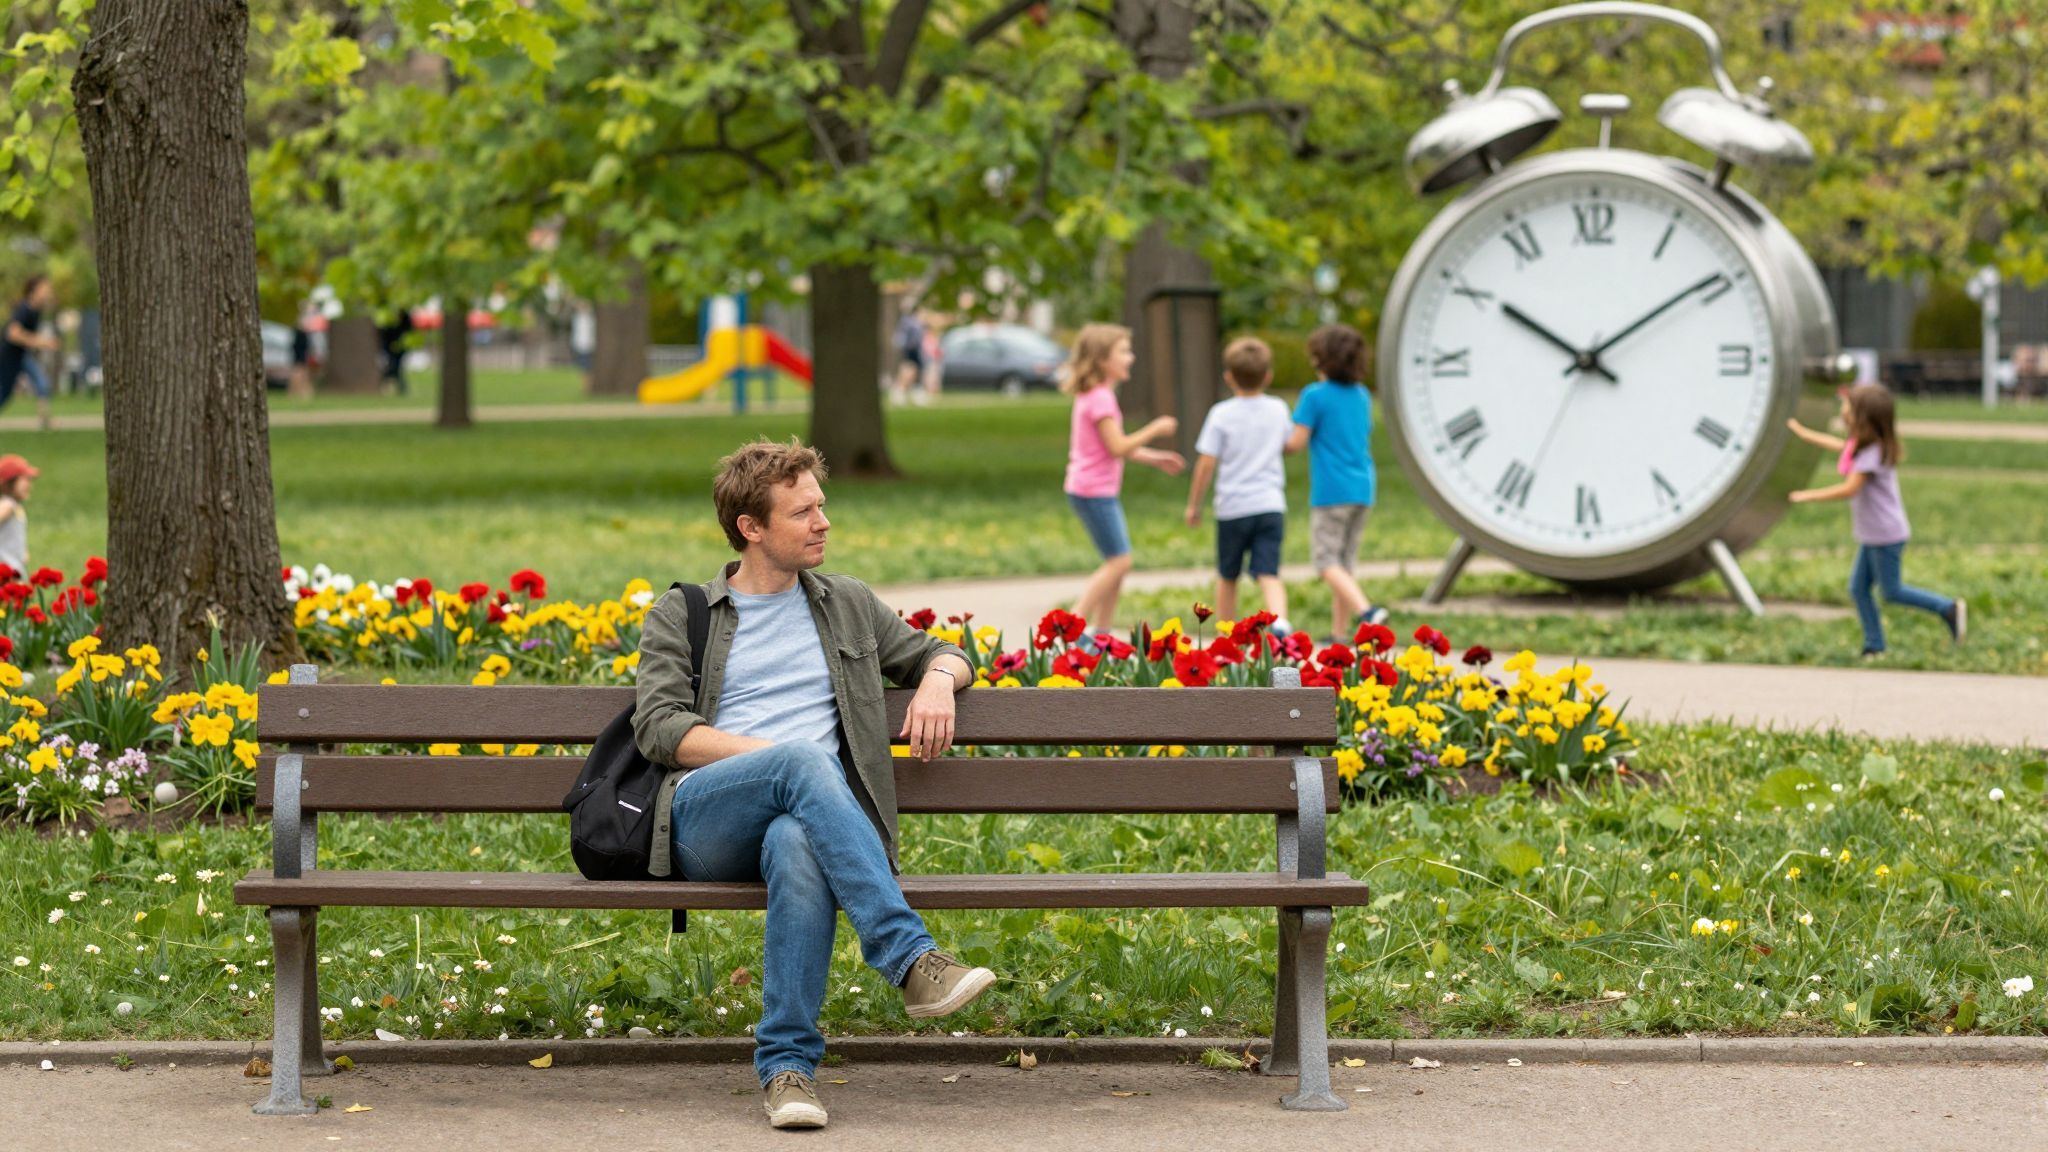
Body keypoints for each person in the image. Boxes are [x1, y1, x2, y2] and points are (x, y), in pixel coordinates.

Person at [632, 437, 995, 1131]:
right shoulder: (684, 613)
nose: (824, 522)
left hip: (801, 820)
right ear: (752, 528)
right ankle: (910, 957)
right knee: (801, 763)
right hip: (707, 819)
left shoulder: (847, 604)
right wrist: (777, 758)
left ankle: (788, 1072)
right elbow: (659, 728)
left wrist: (940, 685)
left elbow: (942, 652)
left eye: (822, 506)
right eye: (803, 513)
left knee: (799, 840)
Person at [1788, 384, 1965, 658]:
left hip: (1885, 534)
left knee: (1891, 591)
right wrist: (1802, 433)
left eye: (1848, 406)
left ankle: (1947, 608)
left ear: (1862, 417)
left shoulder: (1871, 454)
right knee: (1858, 589)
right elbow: (1838, 446)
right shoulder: (1863, 445)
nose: (1843, 409)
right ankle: (1874, 646)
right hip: (1874, 533)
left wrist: (1807, 496)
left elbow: (1850, 488)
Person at [1061, 323, 1184, 630]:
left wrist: (1155, 458)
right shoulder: (1101, 398)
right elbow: (1118, 447)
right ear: (1104, 360)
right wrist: (1155, 429)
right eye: (1124, 352)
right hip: (1093, 491)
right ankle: (1072, 626)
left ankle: (1101, 633)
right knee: (1120, 562)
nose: (1130, 358)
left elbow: (1112, 446)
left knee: (1117, 563)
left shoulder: (1096, 395)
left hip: (1090, 488)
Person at [1286, 324, 1389, 642]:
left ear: (1322, 360)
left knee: (1326, 562)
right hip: (1363, 488)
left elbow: (1295, 443)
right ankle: (1339, 633)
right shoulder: (1361, 396)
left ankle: (1366, 613)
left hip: (1332, 491)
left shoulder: (1314, 396)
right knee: (1344, 564)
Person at [1184, 336, 1293, 634]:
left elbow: (1206, 463)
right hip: (1270, 504)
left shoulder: (1221, 414)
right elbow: (1288, 444)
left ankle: (1227, 632)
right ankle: (1280, 620)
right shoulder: (1279, 409)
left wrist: (1194, 504)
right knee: (1269, 572)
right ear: (1268, 376)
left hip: (1233, 508)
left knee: (1228, 574)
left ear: (1229, 377)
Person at [1, 276, 61, 431]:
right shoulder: (24, 309)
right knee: (5, 392)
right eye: (44, 288)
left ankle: (44, 420)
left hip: (20, 356)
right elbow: (12, 334)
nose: (48, 292)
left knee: (40, 383)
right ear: (33, 291)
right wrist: (43, 342)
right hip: (7, 356)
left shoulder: (36, 311)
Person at [0, 454, 37, 577]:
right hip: (6, 569)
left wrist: (22, 552)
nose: (29, 484)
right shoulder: (7, 505)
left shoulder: (15, 507)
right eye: (24, 480)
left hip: (14, 566)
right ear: (8, 483)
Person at [890, 306, 925, 406]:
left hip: (915, 350)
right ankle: (899, 392)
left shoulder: (916, 323)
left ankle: (909, 393)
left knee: (914, 372)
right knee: (908, 371)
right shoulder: (909, 323)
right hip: (910, 350)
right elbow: (903, 338)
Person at [376, 308, 415, 396]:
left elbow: (409, 330)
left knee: (395, 366)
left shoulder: (404, 318)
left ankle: (394, 383)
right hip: (390, 346)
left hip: (401, 346)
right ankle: (399, 385)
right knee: (394, 366)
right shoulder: (388, 317)